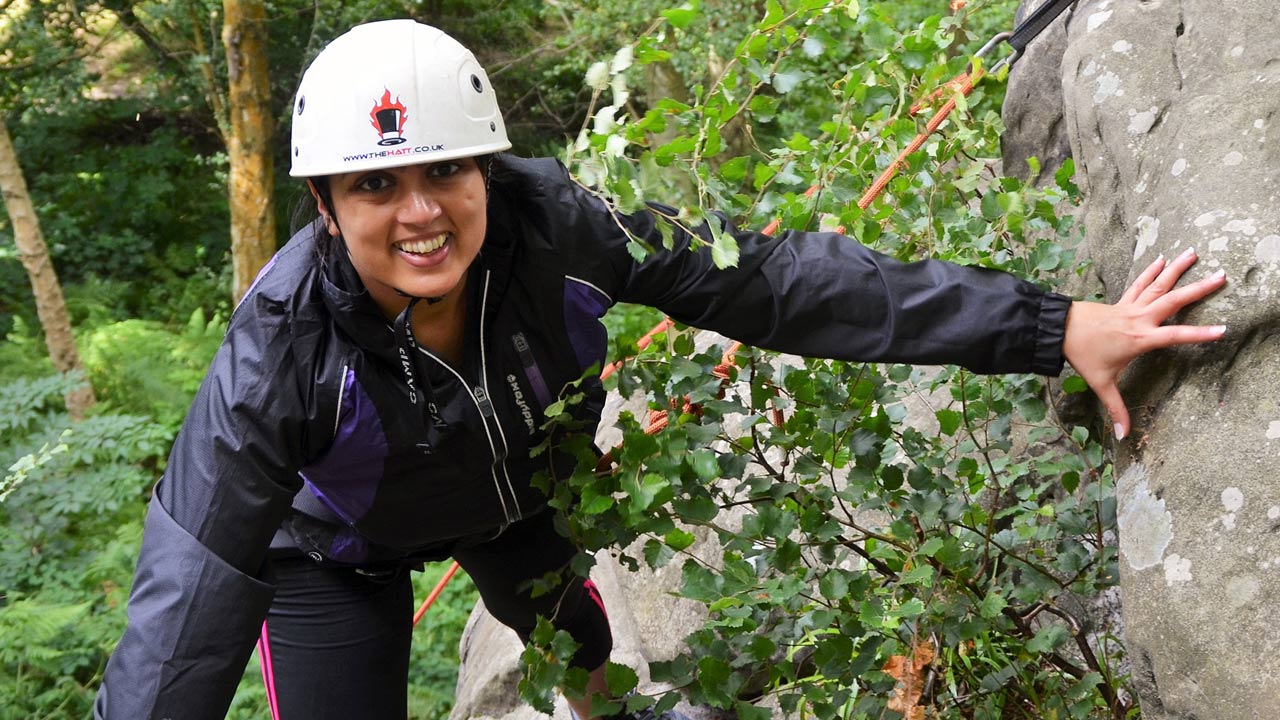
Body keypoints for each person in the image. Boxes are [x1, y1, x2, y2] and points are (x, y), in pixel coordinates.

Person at [93, 19, 1227, 720]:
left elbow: (778, 283)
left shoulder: (560, 231)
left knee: (586, 653)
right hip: (331, 557)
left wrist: (1051, 326)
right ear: (326, 208)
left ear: (489, 169)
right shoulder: (276, 354)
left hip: (514, 508)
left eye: (445, 170)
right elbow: (183, 606)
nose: (421, 211)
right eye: (375, 187)